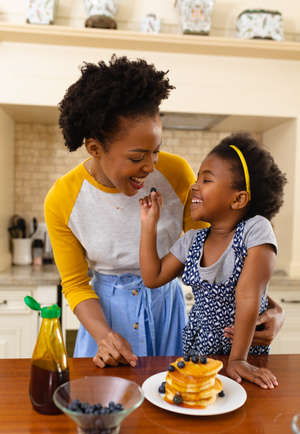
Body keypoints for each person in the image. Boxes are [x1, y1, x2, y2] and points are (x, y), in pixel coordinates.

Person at [45, 55, 284, 369]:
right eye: (137, 157)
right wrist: (104, 335)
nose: (150, 167)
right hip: (104, 320)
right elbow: (75, 284)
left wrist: (274, 310)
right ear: (94, 148)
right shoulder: (63, 198)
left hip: (167, 314)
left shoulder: (176, 174)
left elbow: (222, 244)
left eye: (155, 151)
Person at [139, 132, 287, 388]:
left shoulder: (255, 230)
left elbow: (249, 293)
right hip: (198, 353)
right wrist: (148, 225)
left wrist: (238, 358)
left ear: (238, 198)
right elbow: (153, 277)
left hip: (244, 356)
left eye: (206, 179)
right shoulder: (192, 240)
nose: (195, 186)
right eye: (197, 178)